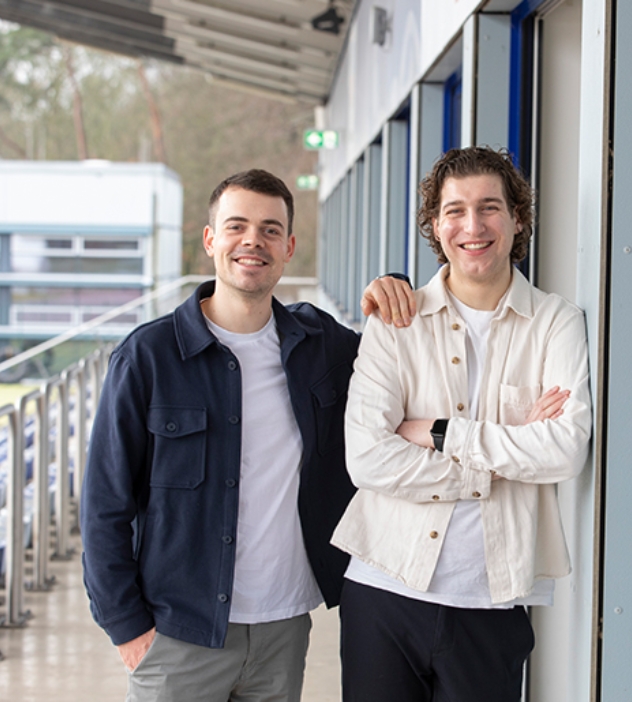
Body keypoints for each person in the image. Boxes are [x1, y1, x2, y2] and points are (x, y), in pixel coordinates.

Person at [80, 169, 413, 701]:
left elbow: (394, 361)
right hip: (178, 632)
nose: (253, 241)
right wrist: (127, 627)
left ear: (289, 247)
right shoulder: (149, 357)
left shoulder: (322, 346)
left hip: (284, 628)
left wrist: (392, 282)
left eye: (270, 230)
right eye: (236, 226)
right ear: (210, 240)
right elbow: (104, 503)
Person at [331, 146, 592, 701]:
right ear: (434, 224)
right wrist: (496, 465)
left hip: (491, 601)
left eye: (489, 208)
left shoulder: (556, 323)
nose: (473, 227)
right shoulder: (395, 321)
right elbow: (367, 458)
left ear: (517, 218)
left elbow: (564, 450)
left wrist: (440, 432)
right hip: (384, 586)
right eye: (455, 211)